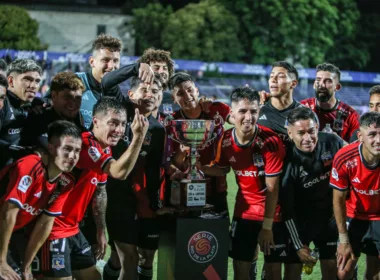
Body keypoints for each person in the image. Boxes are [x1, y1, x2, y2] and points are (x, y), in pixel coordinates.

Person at [34, 97, 149, 280]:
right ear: (95, 121)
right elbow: (119, 172)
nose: (118, 130)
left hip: (73, 228)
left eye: (122, 124)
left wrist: (101, 230)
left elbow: (100, 192)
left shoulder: (106, 149)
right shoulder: (86, 145)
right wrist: (139, 138)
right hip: (53, 228)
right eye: (112, 123)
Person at [200, 87, 287, 280]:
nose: (248, 117)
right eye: (243, 111)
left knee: (273, 270)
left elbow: (273, 188)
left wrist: (267, 227)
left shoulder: (270, 141)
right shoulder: (226, 140)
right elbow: (222, 169)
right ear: (232, 113)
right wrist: (197, 166)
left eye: (253, 111)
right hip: (244, 211)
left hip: (272, 213)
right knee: (241, 268)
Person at [102, 73, 167, 280]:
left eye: (155, 92)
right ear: (131, 94)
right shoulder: (121, 114)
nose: (150, 95)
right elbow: (107, 82)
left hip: (140, 201)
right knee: (127, 257)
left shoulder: (157, 129)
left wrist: (157, 203)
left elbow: (153, 170)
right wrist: (138, 67)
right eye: (144, 90)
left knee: (136, 257)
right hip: (113, 198)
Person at [0, 120, 82, 280]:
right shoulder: (30, 165)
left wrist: (26, 266)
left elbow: (45, 224)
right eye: (67, 149)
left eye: (77, 151)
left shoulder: (65, 183)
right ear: (51, 148)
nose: (72, 156)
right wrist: (1, 261)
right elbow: (7, 213)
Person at [280, 106, 344, 279]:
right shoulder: (287, 161)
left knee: (332, 271)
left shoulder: (332, 142)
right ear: (290, 133)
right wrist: (298, 244)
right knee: (292, 272)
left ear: (317, 127)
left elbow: (353, 162)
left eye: (312, 131)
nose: (308, 138)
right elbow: (287, 208)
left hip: (330, 219)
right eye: (301, 133)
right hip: (301, 222)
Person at [166, 72, 231, 213]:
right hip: (187, 187)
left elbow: (239, 120)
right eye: (180, 93)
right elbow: (173, 162)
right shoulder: (173, 123)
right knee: (191, 231)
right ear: (174, 99)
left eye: (190, 90)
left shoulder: (216, 110)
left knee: (217, 232)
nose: (188, 96)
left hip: (217, 184)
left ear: (197, 90)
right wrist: (182, 152)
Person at [330, 111, 380, 280]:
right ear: (360, 136)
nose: (378, 140)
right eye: (372, 134)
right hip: (354, 215)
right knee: (343, 272)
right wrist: (343, 240)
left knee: (375, 271)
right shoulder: (344, 158)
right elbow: (338, 199)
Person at [21, 72, 85, 151]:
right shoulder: (38, 118)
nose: (73, 104)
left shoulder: (78, 117)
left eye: (78, 98)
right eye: (67, 97)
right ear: (54, 96)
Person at [301, 63, 360, 143]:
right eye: (318, 80)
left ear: (337, 87)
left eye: (328, 81)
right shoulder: (302, 108)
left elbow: (357, 148)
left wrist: (337, 141)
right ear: (314, 84)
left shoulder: (351, 116)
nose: (321, 85)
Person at [0, 59, 42, 167]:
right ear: (10, 81)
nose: (33, 85)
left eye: (37, 81)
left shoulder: (31, 106)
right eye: (28, 79)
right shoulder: (3, 103)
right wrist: (17, 150)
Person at [257, 61, 301, 144]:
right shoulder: (256, 110)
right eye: (271, 76)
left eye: (280, 76)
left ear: (293, 84)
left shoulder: (303, 114)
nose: (273, 80)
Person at [136, 47, 179, 116]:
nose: (161, 71)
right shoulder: (136, 98)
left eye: (165, 68)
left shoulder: (174, 100)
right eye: (156, 68)